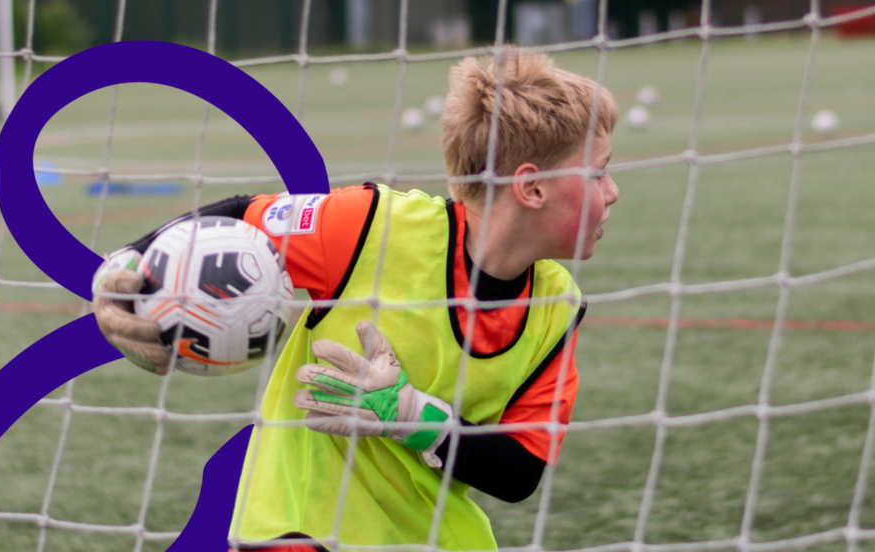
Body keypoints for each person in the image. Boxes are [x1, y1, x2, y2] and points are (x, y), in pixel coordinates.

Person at [89, 49, 618, 551]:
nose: (612, 191)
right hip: (299, 528)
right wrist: (123, 271)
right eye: (597, 172)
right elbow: (235, 216)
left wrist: (411, 415)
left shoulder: (556, 307)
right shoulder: (370, 226)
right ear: (532, 188)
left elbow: (520, 471)